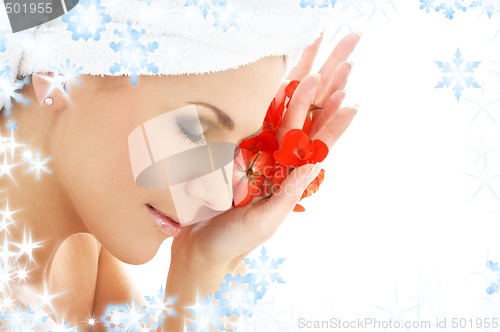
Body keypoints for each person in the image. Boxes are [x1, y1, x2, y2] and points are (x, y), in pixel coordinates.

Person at [0, 0, 359, 330]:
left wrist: (203, 265)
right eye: (195, 129)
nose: (220, 198)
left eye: (237, 149)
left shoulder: (81, 262)